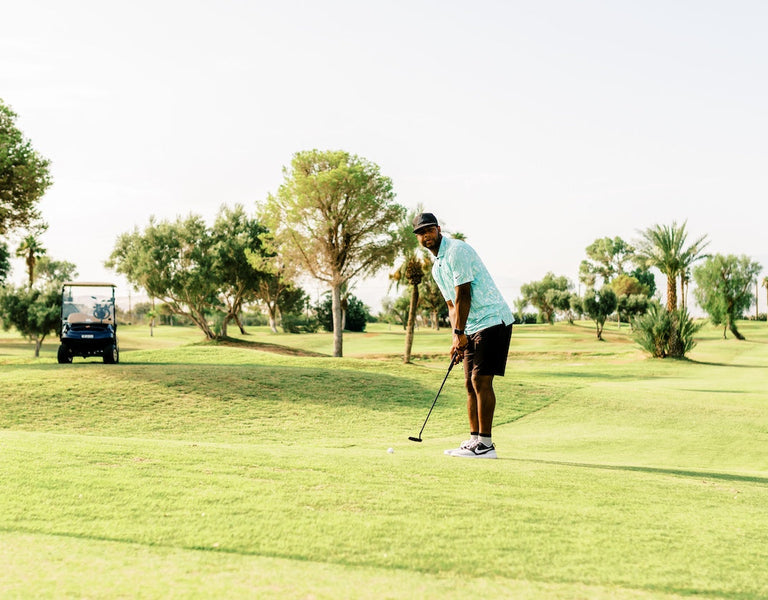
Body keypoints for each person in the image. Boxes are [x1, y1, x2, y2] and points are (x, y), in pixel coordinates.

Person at [413, 212, 513, 459]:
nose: (426, 236)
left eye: (429, 230)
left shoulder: (457, 251)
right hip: (470, 326)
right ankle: (474, 440)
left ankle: (487, 445)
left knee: (480, 380)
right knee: (469, 383)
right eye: (421, 233)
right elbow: (451, 306)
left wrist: (460, 332)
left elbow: (463, 295)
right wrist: (455, 338)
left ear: (438, 229)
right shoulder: (437, 268)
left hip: (492, 319)